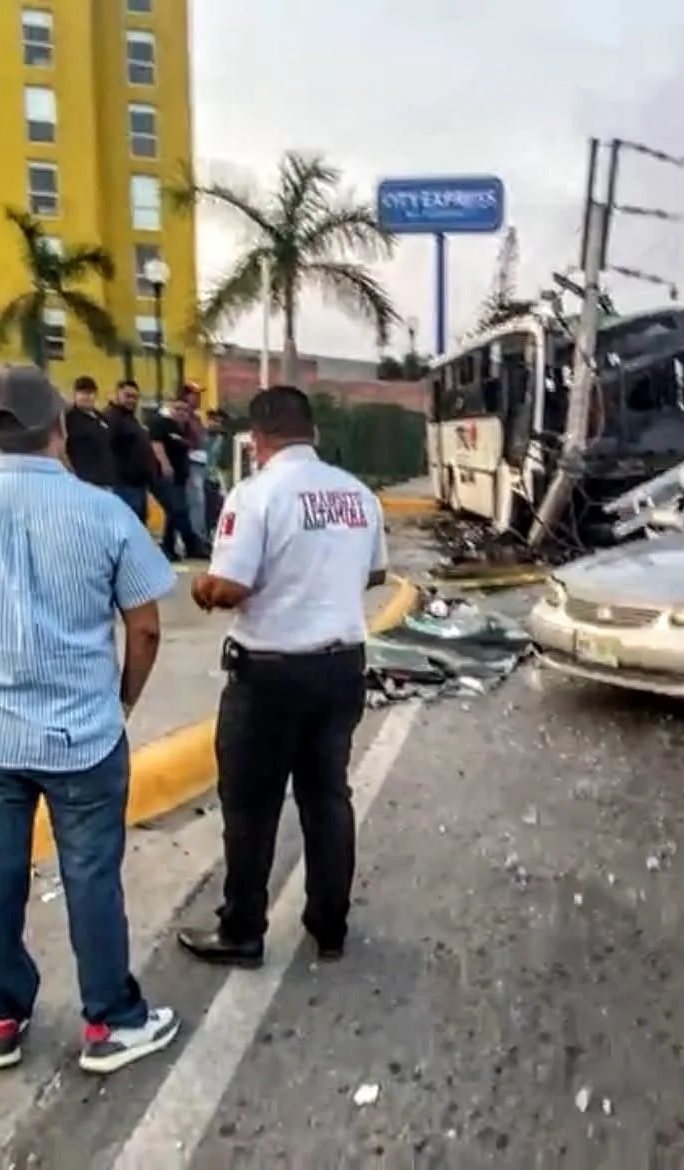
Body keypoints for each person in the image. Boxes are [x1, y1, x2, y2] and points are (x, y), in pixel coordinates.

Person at [0, 364, 181, 1075]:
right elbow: (145, 628)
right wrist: (122, 702)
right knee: (92, 876)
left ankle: (1, 1015)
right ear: (59, 427)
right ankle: (110, 1021)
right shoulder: (105, 514)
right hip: (84, 731)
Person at [176, 386, 387, 968]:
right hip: (340, 669)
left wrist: (202, 587)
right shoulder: (358, 494)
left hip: (268, 677)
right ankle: (330, 925)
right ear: (312, 432)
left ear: (257, 439)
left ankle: (242, 931)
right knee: (328, 799)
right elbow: (375, 573)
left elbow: (230, 587)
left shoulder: (255, 494)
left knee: (251, 808)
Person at [146, 392, 209, 562]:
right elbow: (156, 444)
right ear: (171, 407)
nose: (182, 413)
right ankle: (190, 544)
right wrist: (165, 464)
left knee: (174, 513)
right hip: (165, 476)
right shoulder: (160, 423)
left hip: (181, 477)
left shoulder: (181, 427)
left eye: (185, 410)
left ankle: (171, 547)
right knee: (176, 509)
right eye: (178, 408)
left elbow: (193, 444)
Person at [104, 380, 155, 520]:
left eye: (135, 397)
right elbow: (106, 446)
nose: (131, 400)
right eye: (127, 396)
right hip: (123, 484)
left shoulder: (130, 418)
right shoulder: (112, 417)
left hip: (138, 485)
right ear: (117, 394)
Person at [64, 375, 116, 488]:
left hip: (106, 481)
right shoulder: (69, 419)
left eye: (90, 393)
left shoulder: (102, 418)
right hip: (83, 481)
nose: (87, 397)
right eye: (83, 393)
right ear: (75, 395)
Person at [178, 385, 210, 538]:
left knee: (201, 501)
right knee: (195, 501)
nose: (198, 398)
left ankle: (200, 533)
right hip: (190, 463)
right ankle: (196, 536)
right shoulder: (182, 417)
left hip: (201, 462)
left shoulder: (197, 417)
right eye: (195, 395)